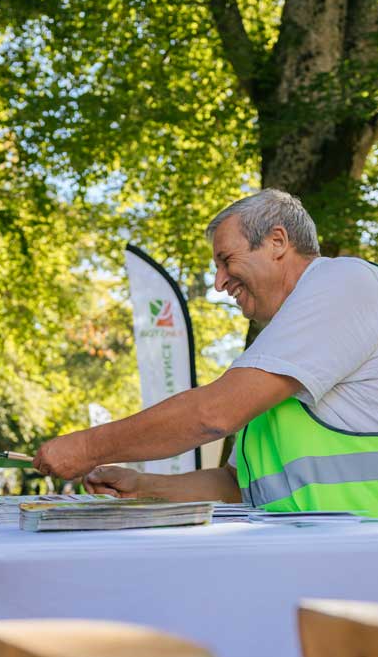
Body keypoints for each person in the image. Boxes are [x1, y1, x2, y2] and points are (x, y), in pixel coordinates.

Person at [34, 189, 378, 514]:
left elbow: (213, 415)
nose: (219, 282)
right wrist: (142, 486)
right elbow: (235, 485)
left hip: (357, 559)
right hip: (317, 558)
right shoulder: (274, 354)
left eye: (226, 260)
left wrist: (87, 448)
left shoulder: (344, 282)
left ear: (278, 241)